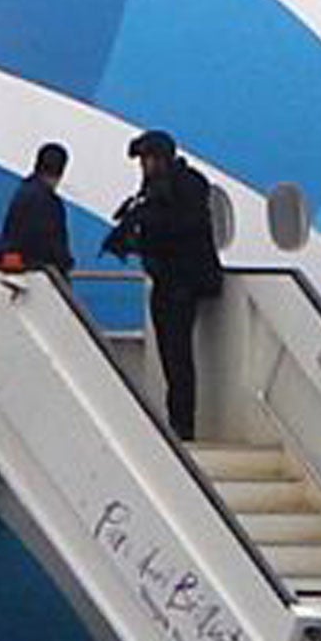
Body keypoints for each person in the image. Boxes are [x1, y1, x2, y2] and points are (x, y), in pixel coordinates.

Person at [101, 130, 224, 441]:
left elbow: (185, 226)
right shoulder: (154, 189)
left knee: (178, 352)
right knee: (170, 354)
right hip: (166, 280)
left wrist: (148, 227)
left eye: (147, 159)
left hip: (183, 281)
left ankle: (183, 424)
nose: (144, 166)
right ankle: (177, 420)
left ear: (161, 158)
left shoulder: (188, 185)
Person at [0, 143, 74, 273]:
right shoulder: (49, 202)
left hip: (18, 267)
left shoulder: (23, 192)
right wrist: (65, 263)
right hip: (41, 272)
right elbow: (55, 246)